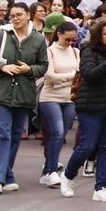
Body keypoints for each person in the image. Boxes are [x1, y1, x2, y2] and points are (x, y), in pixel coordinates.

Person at [61, 16, 106, 203]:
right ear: (99, 36)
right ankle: (67, 176)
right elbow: (90, 75)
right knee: (87, 146)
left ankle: (101, 187)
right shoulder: (88, 51)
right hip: (91, 106)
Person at [0, 1, 48, 194]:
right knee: (1, 133)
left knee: (15, 135)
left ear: (28, 15)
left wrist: (29, 69)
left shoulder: (38, 39)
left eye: (19, 14)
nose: (16, 18)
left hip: (24, 94)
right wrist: (2, 67)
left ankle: (6, 174)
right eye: (13, 15)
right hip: (1, 93)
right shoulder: (2, 34)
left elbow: (43, 66)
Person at [38, 20, 81, 187]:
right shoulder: (49, 51)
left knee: (60, 135)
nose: (71, 43)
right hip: (50, 97)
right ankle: (51, 171)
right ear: (59, 35)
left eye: (73, 40)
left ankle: (47, 170)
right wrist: (71, 76)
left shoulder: (76, 52)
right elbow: (49, 76)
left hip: (69, 98)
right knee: (56, 132)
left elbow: (77, 75)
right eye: (67, 39)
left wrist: (63, 78)